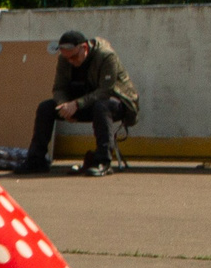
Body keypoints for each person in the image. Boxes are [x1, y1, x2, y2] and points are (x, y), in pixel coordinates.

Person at [16, 29, 140, 178]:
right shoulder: (65, 59)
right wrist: (64, 106)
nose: (71, 61)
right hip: (83, 104)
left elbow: (105, 91)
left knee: (101, 106)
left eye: (74, 57)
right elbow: (58, 88)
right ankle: (37, 160)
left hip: (117, 103)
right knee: (45, 108)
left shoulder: (106, 56)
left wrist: (76, 104)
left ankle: (103, 162)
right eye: (67, 58)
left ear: (85, 48)